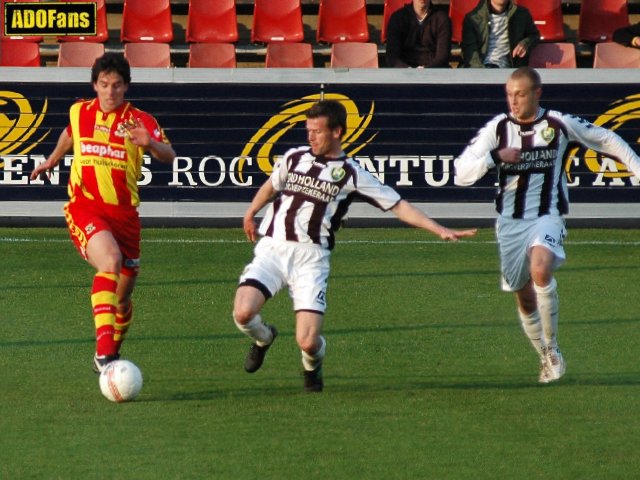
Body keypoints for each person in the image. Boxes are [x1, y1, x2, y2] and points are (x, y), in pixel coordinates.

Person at [233, 100, 477, 392]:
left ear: (337, 132)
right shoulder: (294, 157)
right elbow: (272, 185)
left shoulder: (351, 173)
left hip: (311, 259)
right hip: (272, 249)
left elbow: (397, 205)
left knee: (308, 342)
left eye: (317, 131)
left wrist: (438, 229)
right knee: (243, 313)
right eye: (308, 130)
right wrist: (251, 212)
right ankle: (264, 338)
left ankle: (313, 366)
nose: (310, 137)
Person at [454, 67, 640, 383]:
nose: (513, 101)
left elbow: (606, 138)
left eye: (520, 94)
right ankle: (544, 354)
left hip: (547, 216)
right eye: (509, 94)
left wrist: (636, 167)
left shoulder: (558, 124)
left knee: (541, 270)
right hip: (510, 224)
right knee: (523, 297)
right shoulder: (497, 129)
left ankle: (552, 348)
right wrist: (495, 158)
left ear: (537, 93)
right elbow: (461, 173)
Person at [30, 52, 176, 373]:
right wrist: (53, 159)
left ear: (126, 88)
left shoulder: (141, 121)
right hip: (84, 207)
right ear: (95, 85)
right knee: (109, 261)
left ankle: (111, 354)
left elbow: (169, 154)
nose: (110, 92)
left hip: (125, 218)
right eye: (105, 84)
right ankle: (105, 354)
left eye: (117, 86)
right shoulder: (80, 111)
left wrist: (149, 144)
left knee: (122, 300)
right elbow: (69, 134)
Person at [461, 0, 539, 68]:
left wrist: (525, 44)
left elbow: (534, 35)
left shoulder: (522, 15)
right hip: (482, 68)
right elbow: (471, 53)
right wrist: (482, 74)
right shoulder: (473, 19)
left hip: (508, 70)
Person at [385, 0, 451, 68]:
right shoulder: (398, 18)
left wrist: (426, 69)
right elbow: (391, 57)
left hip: (433, 70)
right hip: (404, 72)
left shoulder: (442, 19)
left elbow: (442, 57)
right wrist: (408, 69)